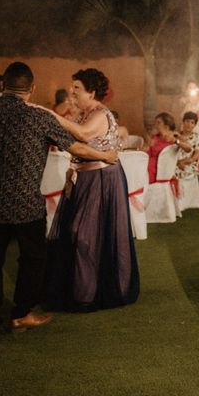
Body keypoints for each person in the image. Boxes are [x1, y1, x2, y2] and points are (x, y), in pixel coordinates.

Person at [0, 62, 117, 331]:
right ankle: (22, 313)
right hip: (25, 203)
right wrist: (105, 156)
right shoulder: (38, 117)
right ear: (32, 89)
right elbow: (76, 146)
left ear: (3, 86)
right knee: (32, 258)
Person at [40, 68, 140, 312]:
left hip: (101, 179)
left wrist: (49, 114)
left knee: (83, 235)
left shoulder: (100, 114)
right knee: (77, 234)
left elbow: (82, 135)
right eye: (72, 87)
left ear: (92, 92)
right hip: (83, 178)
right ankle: (80, 289)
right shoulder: (85, 113)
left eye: (77, 88)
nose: (72, 92)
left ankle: (90, 292)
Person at [145, 112, 191, 183]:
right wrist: (147, 146)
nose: (155, 125)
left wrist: (175, 141)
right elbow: (147, 152)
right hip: (148, 165)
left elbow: (189, 148)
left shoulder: (174, 135)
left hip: (161, 171)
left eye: (158, 123)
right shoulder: (155, 137)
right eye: (155, 123)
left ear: (166, 126)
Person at [179, 81, 199, 151]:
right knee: (185, 146)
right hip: (185, 125)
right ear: (187, 90)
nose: (192, 89)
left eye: (194, 87)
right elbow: (181, 116)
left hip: (197, 125)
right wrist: (187, 105)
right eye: (190, 88)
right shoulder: (183, 100)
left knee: (197, 147)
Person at [175, 112, 199, 180]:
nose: (189, 124)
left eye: (192, 122)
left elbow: (195, 158)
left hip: (188, 165)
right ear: (183, 122)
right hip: (175, 164)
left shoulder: (197, 138)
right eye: (187, 121)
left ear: (195, 125)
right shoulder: (176, 136)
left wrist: (183, 162)